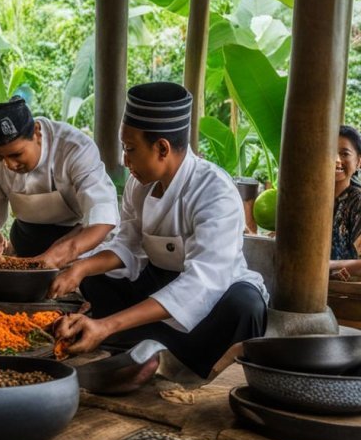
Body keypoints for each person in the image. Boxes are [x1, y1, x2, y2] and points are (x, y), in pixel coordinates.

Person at [53, 82, 268, 380]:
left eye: (130, 149)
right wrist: (79, 268)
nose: (125, 161)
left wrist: (108, 324)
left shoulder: (215, 191)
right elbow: (127, 244)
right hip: (158, 281)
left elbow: (201, 283)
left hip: (214, 295)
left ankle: (170, 355)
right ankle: (144, 346)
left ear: (162, 148)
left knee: (246, 306)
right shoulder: (138, 184)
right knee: (96, 279)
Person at [0, 97, 119, 273]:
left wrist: (55, 257)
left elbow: (103, 218)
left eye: (17, 154)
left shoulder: (75, 148)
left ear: (37, 133)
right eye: (0, 157)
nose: (9, 165)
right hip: (26, 238)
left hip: (79, 242)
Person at [328, 126, 361, 279]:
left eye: (344, 153)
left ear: (358, 162)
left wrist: (325, 266)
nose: (337, 160)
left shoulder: (358, 201)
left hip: (346, 294)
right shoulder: (306, 199)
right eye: (330, 152)